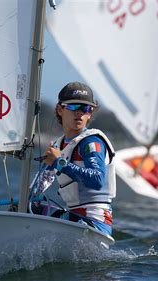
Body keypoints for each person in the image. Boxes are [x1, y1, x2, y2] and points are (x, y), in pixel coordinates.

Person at [31, 82, 116, 236]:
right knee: (29, 209)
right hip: (75, 217)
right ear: (60, 109)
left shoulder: (91, 142)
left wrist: (59, 163)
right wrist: (30, 197)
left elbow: (97, 180)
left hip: (95, 223)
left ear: (90, 113)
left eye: (86, 108)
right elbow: (44, 180)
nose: (80, 113)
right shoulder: (58, 145)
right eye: (73, 107)